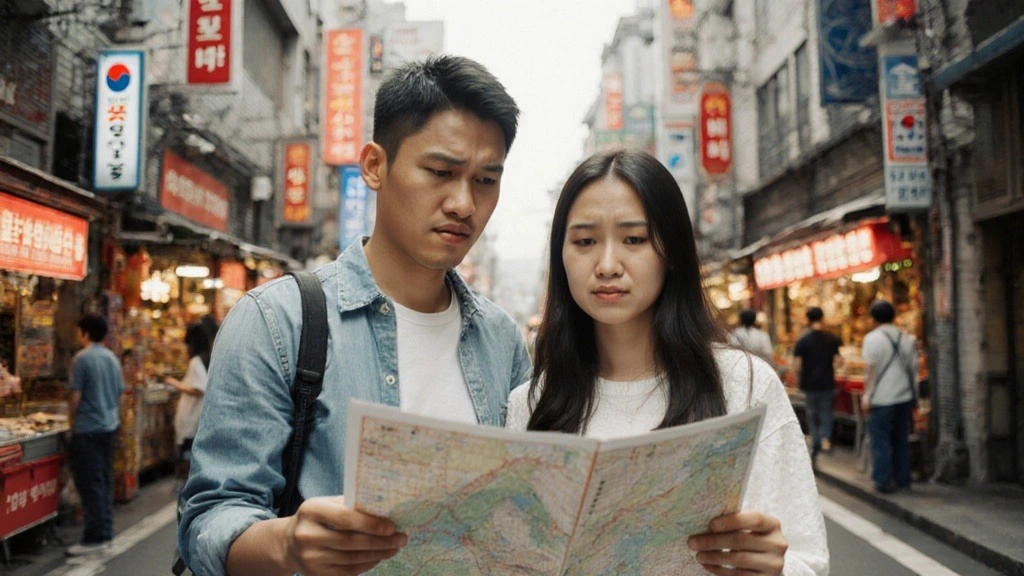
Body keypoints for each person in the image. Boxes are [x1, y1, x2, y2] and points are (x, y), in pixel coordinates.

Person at [177, 55, 530, 576]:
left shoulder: (502, 340)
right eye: (440, 172)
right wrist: (287, 542)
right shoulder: (277, 322)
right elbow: (208, 519)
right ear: (374, 166)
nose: (462, 202)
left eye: (485, 180)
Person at [506, 149, 828, 575]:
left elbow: (810, 560)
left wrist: (776, 568)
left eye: (634, 239)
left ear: (671, 250)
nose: (606, 265)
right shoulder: (531, 405)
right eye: (585, 241)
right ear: (560, 256)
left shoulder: (745, 386)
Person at [66, 313, 125, 556]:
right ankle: (106, 532)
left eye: (79, 332)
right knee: (103, 480)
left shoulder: (82, 359)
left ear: (85, 333)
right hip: (109, 427)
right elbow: (121, 393)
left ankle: (94, 538)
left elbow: (76, 396)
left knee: (90, 484)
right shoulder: (112, 358)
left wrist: (71, 421)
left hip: (88, 429)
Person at [860, 300, 918, 493]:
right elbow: (913, 370)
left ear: (873, 318)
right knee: (901, 438)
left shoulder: (872, 339)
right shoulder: (906, 338)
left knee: (881, 439)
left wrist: (867, 395)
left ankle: (883, 480)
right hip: (903, 396)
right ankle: (903, 478)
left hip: (881, 398)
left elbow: (870, 370)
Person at [792, 307, 842, 461]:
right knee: (826, 411)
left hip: (810, 384)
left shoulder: (803, 339)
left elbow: (797, 364)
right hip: (828, 382)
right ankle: (826, 439)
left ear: (807, 319)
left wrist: (798, 375)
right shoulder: (830, 338)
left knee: (812, 413)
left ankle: (815, 440)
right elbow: (839, 360)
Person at [165, 323, 211, 481]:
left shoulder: (196, 362)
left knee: (187, 465)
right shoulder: (206, 359)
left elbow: (200, 387)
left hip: (192, 421)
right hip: (197, 420)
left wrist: (175, 383)